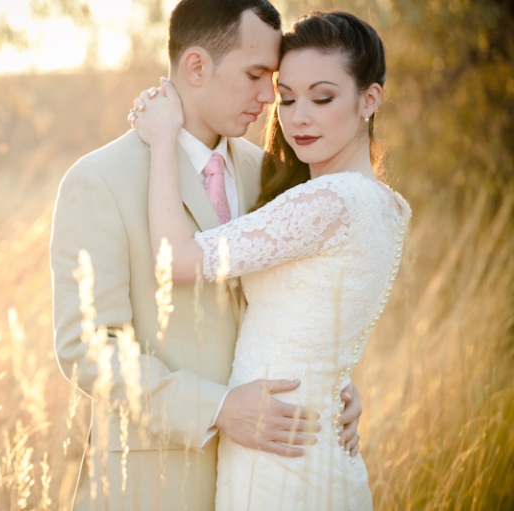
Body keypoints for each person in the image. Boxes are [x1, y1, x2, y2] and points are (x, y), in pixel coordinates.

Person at [51, 1, 362, 509]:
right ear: (197, 66)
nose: (269, 97)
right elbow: (88, 348)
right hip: (155, 484)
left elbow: (294, 305)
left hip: (269, 478)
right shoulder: (99, 180)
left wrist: (336, 385)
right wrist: (216, 408)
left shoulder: (273, 173)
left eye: (272, 78)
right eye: (255, 74)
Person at [129, 10, 411, 510]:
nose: (297, 117)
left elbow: (179, 261)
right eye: (286, 98)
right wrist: (337, 383)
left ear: (369, 99)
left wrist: (163, 138)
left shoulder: (328, 202)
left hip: (277, 452)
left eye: (322, 98)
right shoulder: (389, 205)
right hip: (312, 435)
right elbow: (319, 316)